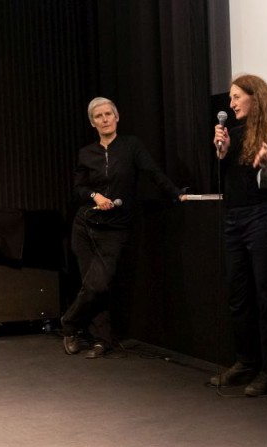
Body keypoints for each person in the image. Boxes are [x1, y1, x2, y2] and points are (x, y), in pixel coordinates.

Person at [61, 97, 188, 358]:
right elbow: (78, 188)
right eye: (99, 116)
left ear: (117, 117)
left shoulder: (131, 146)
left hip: (114, 229)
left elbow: (153, 172)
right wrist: (94, 196)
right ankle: (101, 339)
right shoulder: (87, 153)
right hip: (84, 226)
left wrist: (175, 193)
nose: (105, 119)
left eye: (109, 114)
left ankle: (69, 324)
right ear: (92, 122)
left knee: (97, 284)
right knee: (93, 286)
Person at [209, 74, 267, 396]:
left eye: (237, 97)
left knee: (266, 296)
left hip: (260, 219)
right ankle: (245, 361)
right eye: (231, 98)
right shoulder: (232, 135)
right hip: (233, 220)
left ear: (255, 98)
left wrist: (266, 164)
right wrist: (222, 153)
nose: (231, 104)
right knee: (238, 296)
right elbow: (226, 180)